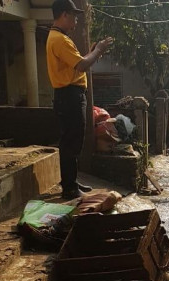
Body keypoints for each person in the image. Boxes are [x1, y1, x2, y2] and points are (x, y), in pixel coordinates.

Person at [46, 0, 113, 200]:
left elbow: (78, 63)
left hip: (68, 95)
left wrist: (94, 52)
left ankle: (71, 182)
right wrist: (98, 49)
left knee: (73, 141)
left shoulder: (58, 38)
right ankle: (68, 187)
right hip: (69, 96)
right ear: (64, 15)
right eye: (74, 15)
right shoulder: (60, 40)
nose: (76, 19)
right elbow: (82, 65)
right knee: (71, 142)